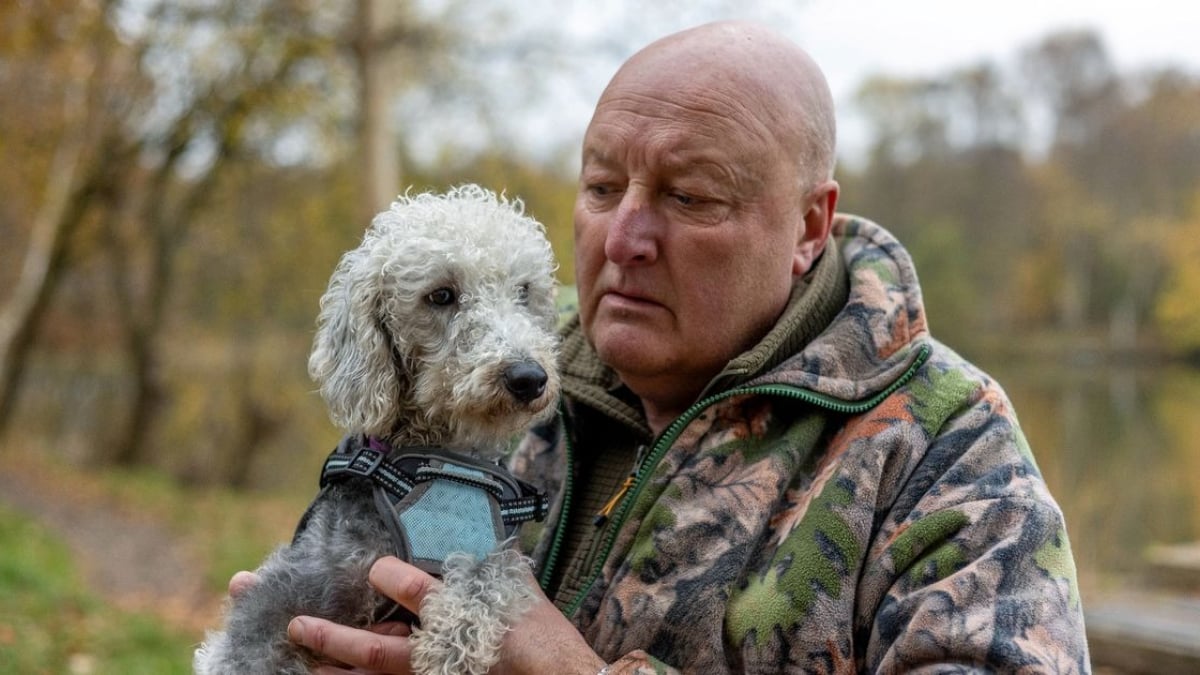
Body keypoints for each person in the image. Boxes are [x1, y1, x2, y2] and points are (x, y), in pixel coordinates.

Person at [281, 20, 1091, 674]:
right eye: (601, 187)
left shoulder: (951, 451)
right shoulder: (490, 370)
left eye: (688, 195)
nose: (623, 236)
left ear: (807, 226)